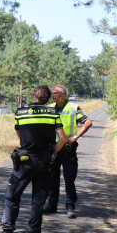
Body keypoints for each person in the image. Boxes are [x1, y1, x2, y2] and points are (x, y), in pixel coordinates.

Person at [0, 85, 67, 233]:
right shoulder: (53, 113)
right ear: (47, 99)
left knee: (12, 196)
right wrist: (52, 152)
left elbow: (20, 135)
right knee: (38, 201)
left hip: (25, 161)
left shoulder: (20, 113)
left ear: (33, 95)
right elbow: (63, 139)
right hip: (44, 162)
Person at [43, 85, 92, 219]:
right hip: (53, 149)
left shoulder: (73, 108)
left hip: (67, 150)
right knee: (52, 178)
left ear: (63, 94)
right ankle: (51, 205)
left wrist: (75, 137)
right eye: (52, 93)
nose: (52, 95)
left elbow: (87, 122)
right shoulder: (49, 109)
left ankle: (70, 207)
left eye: (55, 93)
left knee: (69, 178)